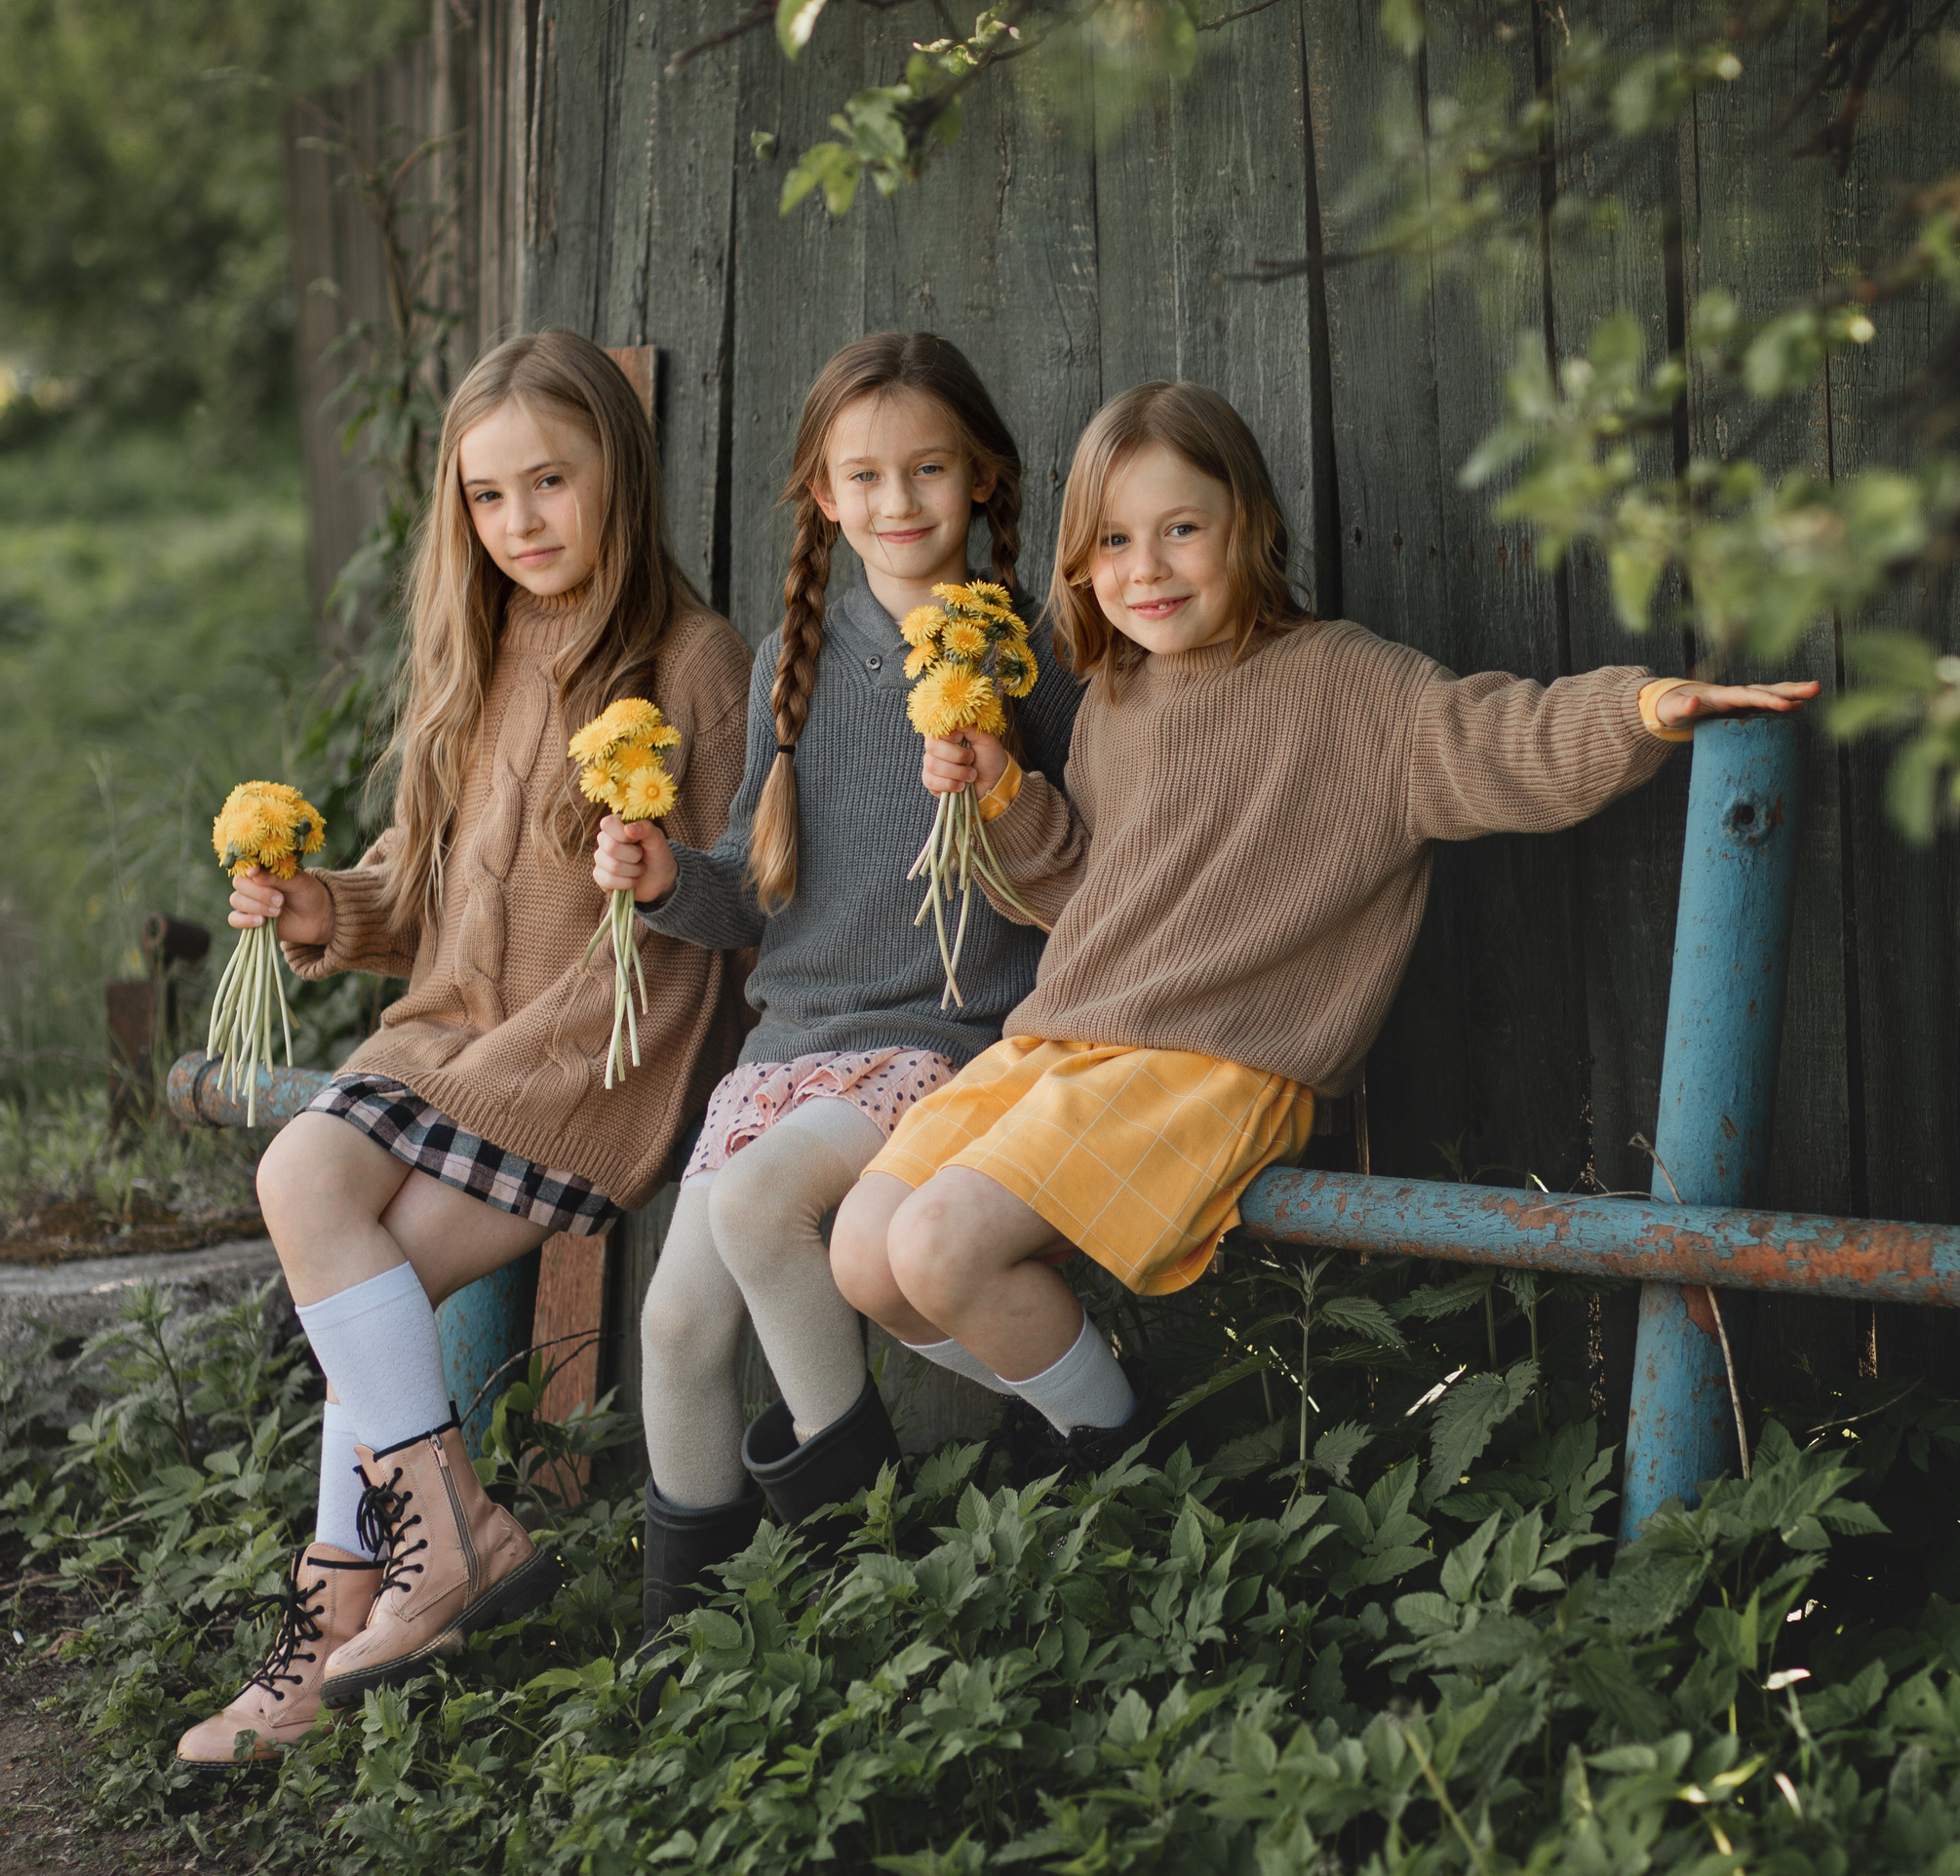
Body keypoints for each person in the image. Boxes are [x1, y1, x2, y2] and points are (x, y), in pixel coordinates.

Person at [829, 378, 1817, 1476]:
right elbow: (1093, 895)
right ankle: (1078, 1412)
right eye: (1112, 540)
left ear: (1246, 528)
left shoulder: (1346, 685)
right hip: (1068, 1039)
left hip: (1215, 1058)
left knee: (934, 1244)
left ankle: (1119, 1460)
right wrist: (1003, 789)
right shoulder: (1116, 702)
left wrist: (1643, 708)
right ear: (1078, 560)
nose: (1144, 568)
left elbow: (1498, 739)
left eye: (1180, 530)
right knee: (866, 1257)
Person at [175, 331, 751, 1771]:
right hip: (450, 1045)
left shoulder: (694, 663)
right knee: (354, 1292)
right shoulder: (480, 658)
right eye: (489, 500)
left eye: (551, 483)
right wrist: (328, 907)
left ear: (618, 475)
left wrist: (666, 869)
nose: (523, 525)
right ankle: (431, 1559)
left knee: (325, 1230)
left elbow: (747, 896)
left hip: (591, 1062)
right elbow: (421, 883)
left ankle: (356, 1613)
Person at [591, 332, 1080, 1633]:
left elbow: (1084, 864)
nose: (898, 499)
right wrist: (658, 879)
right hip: (791, 1047)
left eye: (928, 468)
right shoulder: (786, 670)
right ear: (822, 494)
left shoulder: (1033, 652)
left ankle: (868, 1565)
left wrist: (1005, 780)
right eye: (862, 476)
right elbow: (756, 891)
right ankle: (685, 1643)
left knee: (759, 1204)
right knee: (677, 1329)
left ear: (982, 477)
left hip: (944, 1028)